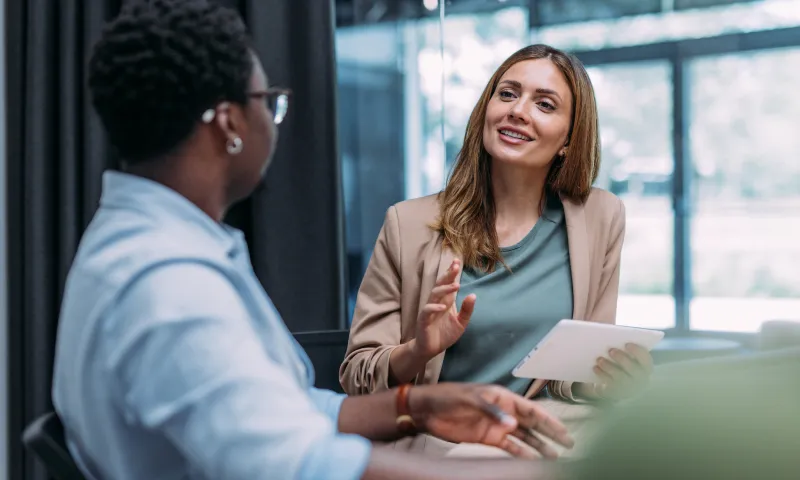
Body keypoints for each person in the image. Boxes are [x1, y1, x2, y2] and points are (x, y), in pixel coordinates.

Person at [50, 1, 575, 479]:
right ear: (230, 124)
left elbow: (292, 414)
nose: (272, 124)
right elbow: (298, 464)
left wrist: (419, 406)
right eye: (268, 103)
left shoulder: (145, 247)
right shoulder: (169, 285)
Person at [340, 45, 653, 405]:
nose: (518, 111)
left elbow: (575, 374)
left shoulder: (599, 216)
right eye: (507, 94)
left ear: (569, 139)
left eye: (545, 105)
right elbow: (357, 376)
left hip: (545, 443)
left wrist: (609, 378)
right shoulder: (407, 224)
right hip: (444, 448)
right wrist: (418, 350)